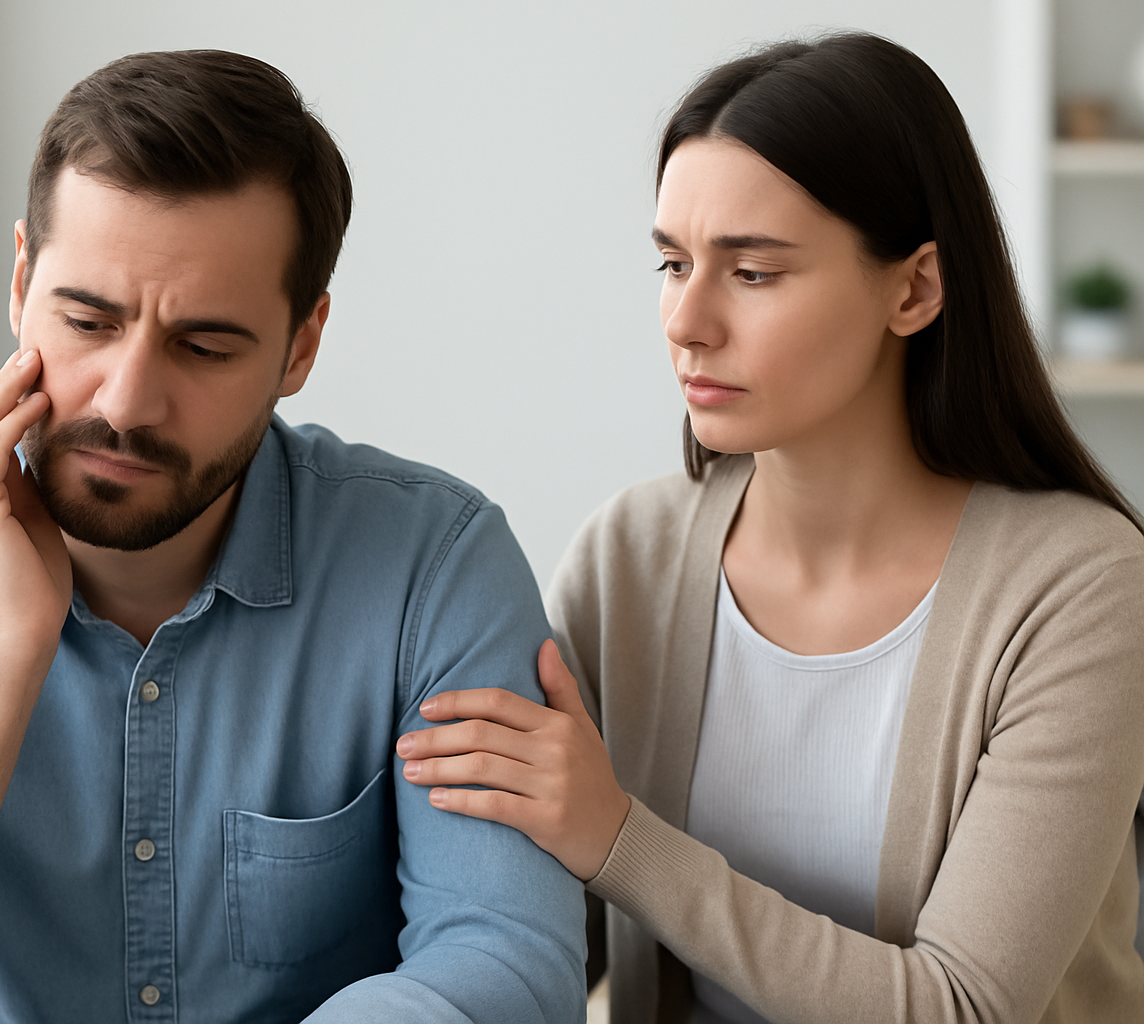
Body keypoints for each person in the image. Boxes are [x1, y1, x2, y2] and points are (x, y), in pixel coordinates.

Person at [0, 50, 586, 1024]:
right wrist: (2, 654)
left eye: (203, 345)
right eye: (86, 320)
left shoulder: (434, 566)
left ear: (302, 344)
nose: (125, 403)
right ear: (22, 286)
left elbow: (508, 964)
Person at [396, 33, 1144, 1024]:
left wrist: (622, 837)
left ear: (914, 288)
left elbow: (962, 1007)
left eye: (752, 272)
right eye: (672, 262)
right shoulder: (631, 557)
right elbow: (522, 937)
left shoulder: (1081, 585)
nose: (686, 319)